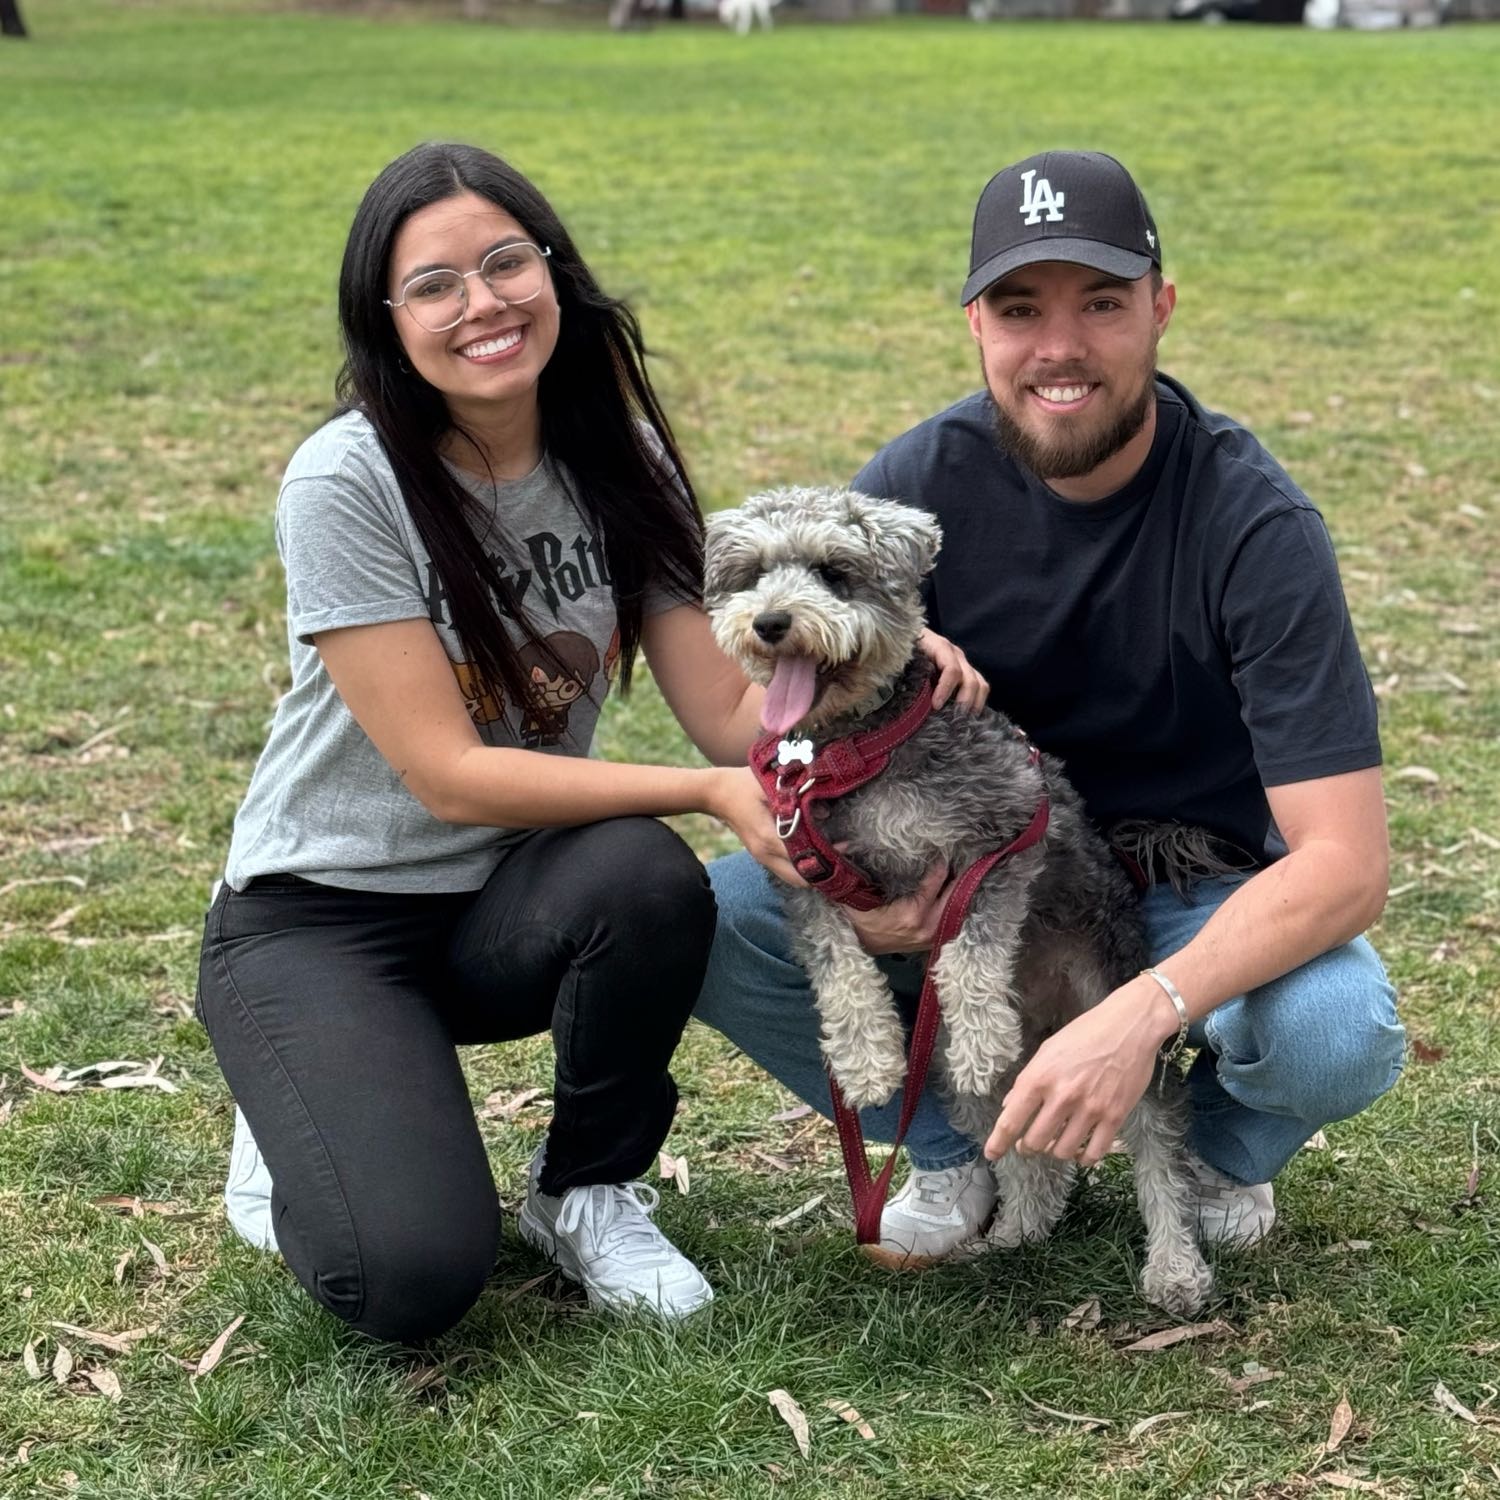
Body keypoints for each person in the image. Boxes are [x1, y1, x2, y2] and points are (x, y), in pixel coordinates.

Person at [200, 141, 979, 1341]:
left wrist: (888, 663)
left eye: (507, 262)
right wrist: (710, 791)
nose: (483, 305)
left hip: (510, 899)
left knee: (647, 875)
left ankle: (587, 1188)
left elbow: (735, 716)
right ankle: (300, 1111)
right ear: (386, 318)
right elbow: (446, 775)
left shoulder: (619, 456)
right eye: (435, 284)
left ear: (553, 270)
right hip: (323, 916)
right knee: (407, 1280)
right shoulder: (345, 480)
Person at [694, 150, 1405, 1266]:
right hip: (964, 859)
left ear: (1161, 308)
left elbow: (1349, 867)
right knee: (721, 909)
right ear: (975, 323)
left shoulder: (1254, 522)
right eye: (1021, 309)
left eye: (1103, 305)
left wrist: (1142, 1013)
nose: (1060, 348)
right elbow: (768, 731)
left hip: (1192, 885)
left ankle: (1212, 1147)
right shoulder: (915, 483)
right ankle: (952, 1150)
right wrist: (886, 651)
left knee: (1333, 1032)